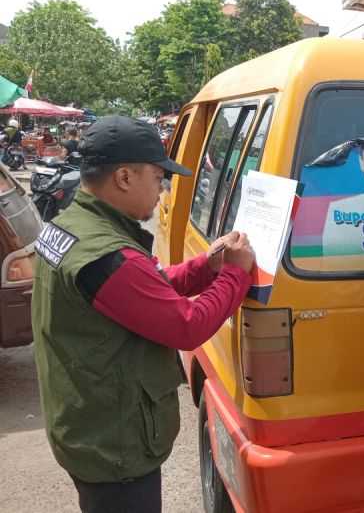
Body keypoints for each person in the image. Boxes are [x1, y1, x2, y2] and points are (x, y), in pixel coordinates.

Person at [31, 115, 255, 513]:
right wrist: (236, 274)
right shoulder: (108, 256)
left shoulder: (73, 225)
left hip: (85, 424)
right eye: (157, 177)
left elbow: (149, 285)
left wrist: (209, 266)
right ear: (124, 177)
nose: (162, 189)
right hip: (113, 444)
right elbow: (186, 326)